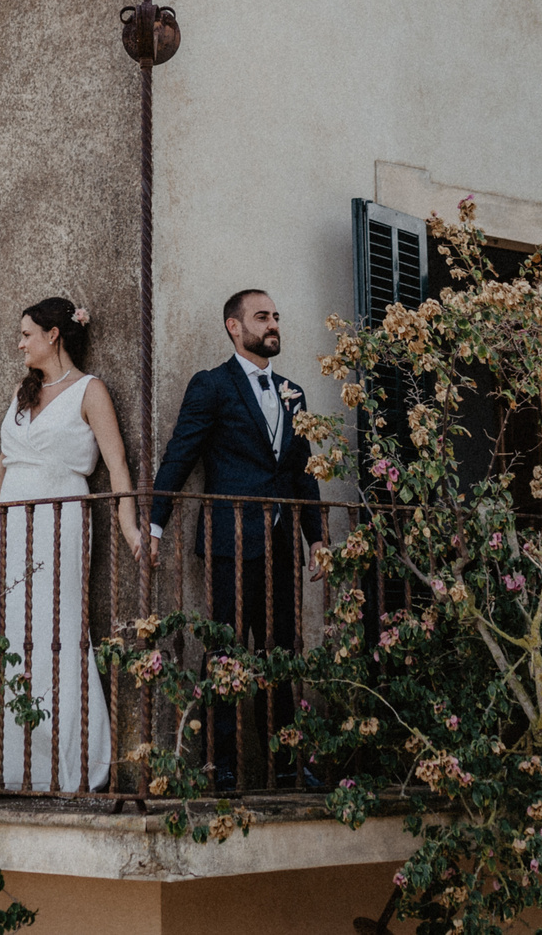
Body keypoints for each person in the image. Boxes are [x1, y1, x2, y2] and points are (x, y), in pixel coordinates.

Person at [0, 297, 144, 792]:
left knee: (53, 630)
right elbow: (1, 466)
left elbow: (117, 465)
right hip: (8, 530)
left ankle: (61, 762)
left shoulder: (90, 390)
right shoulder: (23, 391)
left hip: (59, 525)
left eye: (26, 335)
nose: (20, 344)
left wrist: (129, 526)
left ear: (53, 334)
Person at [148, 288, 326, 790]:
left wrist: (316, 538)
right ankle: (221, 763)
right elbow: (180, 455)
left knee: (281, 652)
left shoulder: (293, 392)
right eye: (262, 316)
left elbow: (303, 472)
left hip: (282, 546)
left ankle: (287, 764)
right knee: (225, 652)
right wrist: (155, 524)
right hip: (230, 542)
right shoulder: (212, 385)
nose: (273, 325)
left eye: (276, 316)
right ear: (234, 326)